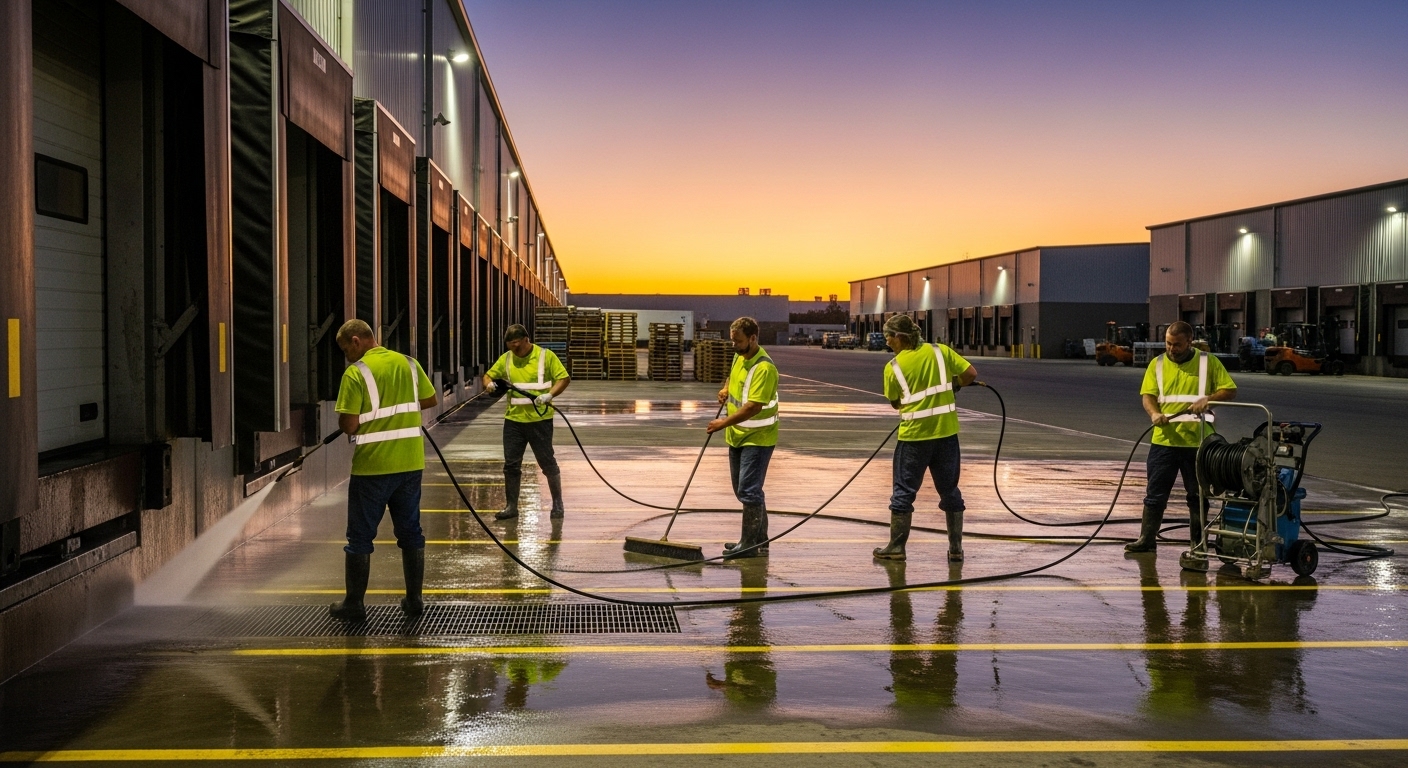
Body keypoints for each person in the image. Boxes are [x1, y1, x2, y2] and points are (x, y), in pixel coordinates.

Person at [329, 319, 438, 621]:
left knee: (360, 537)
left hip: (373, 466)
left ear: (356, 340)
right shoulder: (409, 363)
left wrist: (367, 418)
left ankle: (354, 604)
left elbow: (349, 424)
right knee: (410, 532)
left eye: (345, 349)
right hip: (410, 463)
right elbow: (429, 399)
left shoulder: (357, 372)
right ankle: (414, 600)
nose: (347, 356)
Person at [873, 315, 977, 562]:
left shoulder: (894, 367)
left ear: (900, 337)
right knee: (949, 490)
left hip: (914, 438)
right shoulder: (940, 351)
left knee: (904, 491)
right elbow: (970, 373)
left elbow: (895, 402)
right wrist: (954, 385)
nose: (886, 341)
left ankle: (897, 548)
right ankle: (956, 549)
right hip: (946, 435)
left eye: (889, 336)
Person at [1126, 320, 1237, 553]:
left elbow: (1230, 389)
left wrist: (1209, 398)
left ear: (1189, 341)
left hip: (1198, 442)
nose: (1171, 349)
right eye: (1168, 344)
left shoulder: (1208, 362)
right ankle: (1147, 539)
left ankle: (1198, 543)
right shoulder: (1157, 364)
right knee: (1155, 495)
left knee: (1197, 496)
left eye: (1176, 345)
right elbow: (1148, 395)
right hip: (1164, 441)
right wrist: (1154, 413)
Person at [707, 317, 780, 559]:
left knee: (749, 490)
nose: (734, 346)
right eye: (733, 341)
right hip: (737, 435)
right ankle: (760, 538)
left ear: (753, 338)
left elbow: (752, 407)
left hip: (758, 437)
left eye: (738, 341)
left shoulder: (764, 368)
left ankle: (748, 545)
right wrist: (726, 389)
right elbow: (733, 377)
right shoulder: (740, 356)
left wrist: (721, 423)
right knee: (744, 490)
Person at [483, 324, 570, 521]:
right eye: (510, 346)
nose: (514, 349)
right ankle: (511, 506)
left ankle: (557, 504)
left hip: (540, 420)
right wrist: (488, 384)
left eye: (517, 345)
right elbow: (488, 375)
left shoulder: (544, 356)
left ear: (526, 339)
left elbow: (564, 378)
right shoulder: (506, 358)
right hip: (513, 421)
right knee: (511, 465)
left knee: (547, 462)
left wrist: (549, 395)